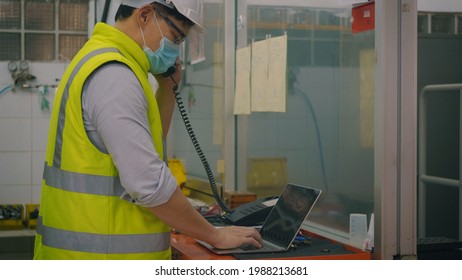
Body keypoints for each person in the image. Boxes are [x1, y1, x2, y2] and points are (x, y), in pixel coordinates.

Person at [33, 0, 261, 260]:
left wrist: (167, 90)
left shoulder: (104, 60)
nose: (175, 51)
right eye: (176, 37)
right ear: (144, 15)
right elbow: (148, 183)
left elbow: (143, 149)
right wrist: (215, 235)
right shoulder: (115, 75)